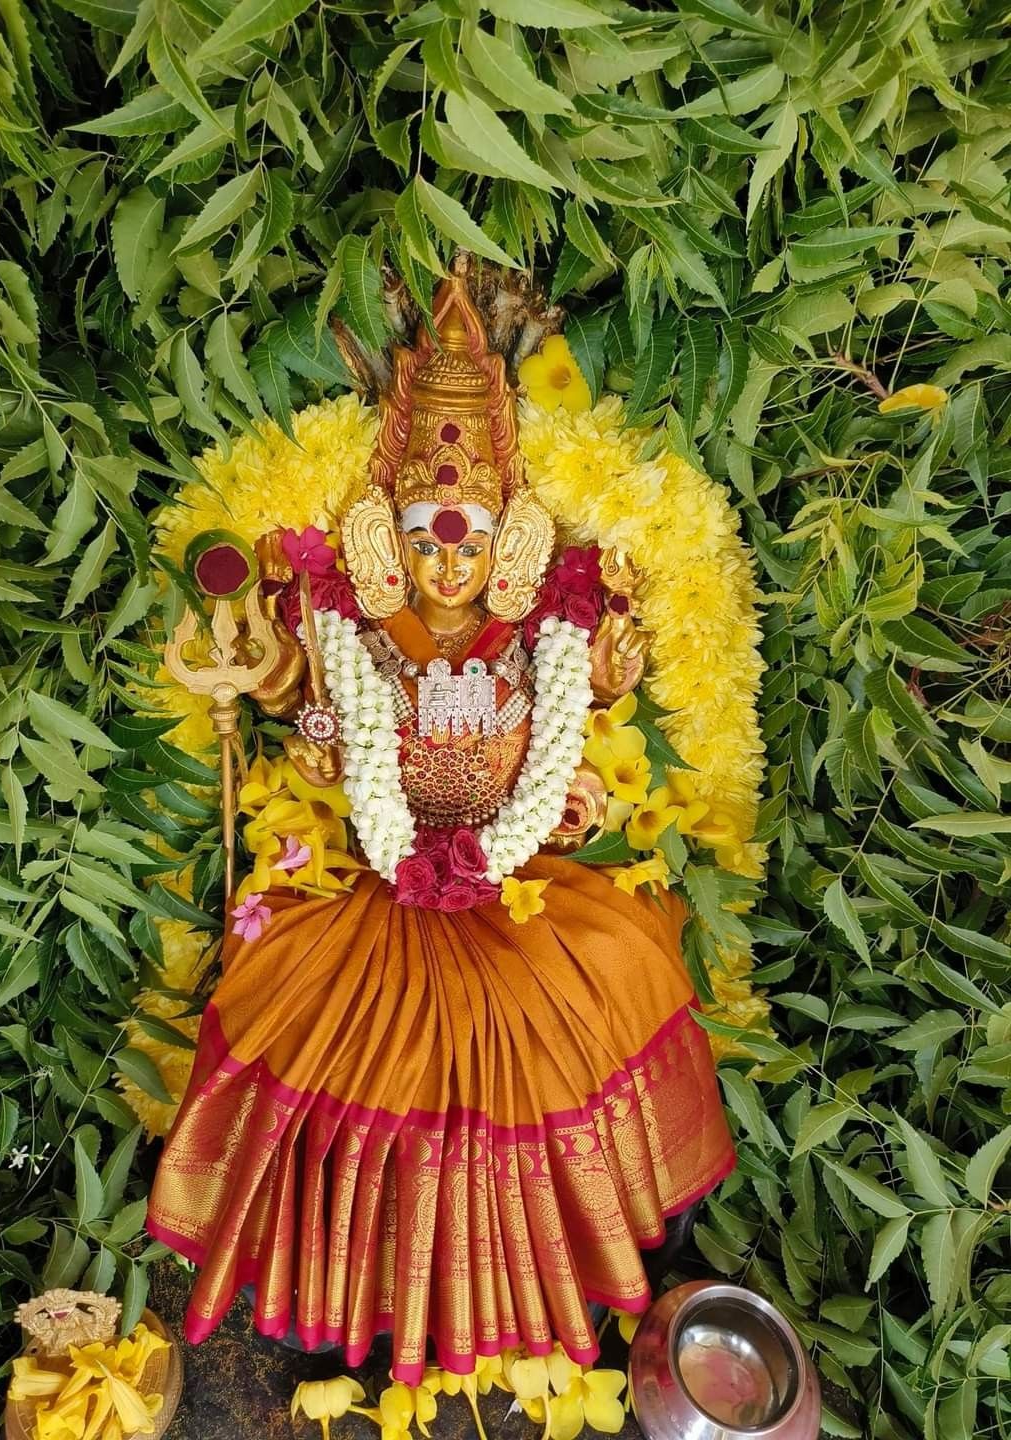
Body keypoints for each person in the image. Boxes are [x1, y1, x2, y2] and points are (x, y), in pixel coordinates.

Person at [147, 278, 735, 1383]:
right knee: (324, 1030)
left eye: (470, 547)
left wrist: (586, 749)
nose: (451, 567)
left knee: (622, 969)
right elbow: (304, 707)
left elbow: (585, 719)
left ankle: (564, 1274)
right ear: (393, 544)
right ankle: (358, 1296)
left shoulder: (540, 636)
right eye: (428, 546)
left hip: (522, 880)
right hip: (379, 880)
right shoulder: (359, 636)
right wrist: (278, 690)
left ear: (509, 544)